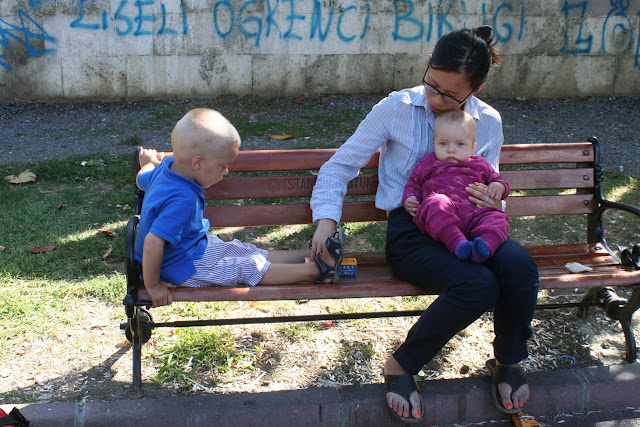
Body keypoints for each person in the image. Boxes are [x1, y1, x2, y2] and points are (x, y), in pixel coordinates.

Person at [310, 26, 539, 423]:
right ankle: (402, 363)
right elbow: (340, 166)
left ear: (477, 89)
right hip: (414, 234)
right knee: (478, 285)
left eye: (449, 94)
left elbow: (492, 177)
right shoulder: (396, 107)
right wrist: (325, 222)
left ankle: (508, 361)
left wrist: (493, 195)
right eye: (431, 84)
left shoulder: (488, 122)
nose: (436, 99)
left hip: (473, 226)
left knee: (520, 266)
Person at [134, 108, 344, 308]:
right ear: (197, 163)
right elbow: (153, 242)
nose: (226, 171)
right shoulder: (182, 199)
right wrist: (153, 286)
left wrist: (148, 162)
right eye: (223, 165)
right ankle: (317, 270)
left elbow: (142, 179)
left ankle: (310, 254)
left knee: (243, 251)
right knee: (246, 268)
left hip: (193, 248)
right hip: (182, 267)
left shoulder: (165, 168)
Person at [402, 109, 509, 264]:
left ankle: (484, 248)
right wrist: (409, 198)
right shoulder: (430, 162)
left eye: (460, 144)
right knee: (436, 202)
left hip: (476, 214)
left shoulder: (479, 164)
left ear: (473, 147)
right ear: (434, 143)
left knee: (498, 217)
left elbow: (498, 180)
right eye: (443, 143)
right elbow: (414, 183)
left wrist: (498, 186)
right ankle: (458, 244)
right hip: (443, 216)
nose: (451, 149)